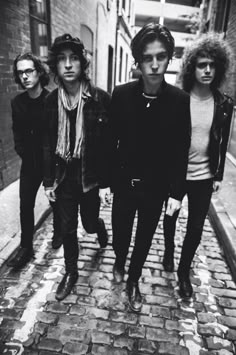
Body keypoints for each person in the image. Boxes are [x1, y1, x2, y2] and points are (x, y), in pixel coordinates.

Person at [110, 23, 191, 312]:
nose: (155, 65)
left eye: (161, 57)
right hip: (123, 185)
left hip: (155, 189)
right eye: (148, 58)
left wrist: (176, 193)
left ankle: (133, 279)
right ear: (138, 61)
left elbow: (181, 150)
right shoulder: (120, 95)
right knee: (120, 234)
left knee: (144, 238)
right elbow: (111, 141)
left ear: (169, 58)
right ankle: (119, 259)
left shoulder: (180, 101)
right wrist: (108, 182)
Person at [163, 33, 234, 299]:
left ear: (218, 68)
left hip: (204, 177)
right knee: (170, 217)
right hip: (177, 175)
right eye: (201, 64)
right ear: (192, 67)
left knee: (195, 228)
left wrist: (218, 174)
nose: (206, 70)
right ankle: (168, 249)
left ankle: (183, 273)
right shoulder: (178, 98)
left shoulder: (224, 104)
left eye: (211, 65)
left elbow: (223, 140)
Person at [44, 34, 111, 301]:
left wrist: (107, 184)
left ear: (83, 64)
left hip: (90, 176)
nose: (68, 65)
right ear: (56, 66)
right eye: (62, 60)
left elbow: (108, 146)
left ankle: (99, 227)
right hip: (64, 176)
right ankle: (71, 271)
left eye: (73, 59)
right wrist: (48, 181)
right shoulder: (51, 102)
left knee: (89, 223)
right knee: (67, 227)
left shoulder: (100, 99)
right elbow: (47, 144)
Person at [8, 52, 62, 270]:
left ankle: (58, 232)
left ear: (39, 72)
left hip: (51, 164)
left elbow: (57, 134)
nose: (25, 76)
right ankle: (26, 247)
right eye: (20, 73)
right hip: (30, 164)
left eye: (29, 71)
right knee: (25, 205)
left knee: (56, 202)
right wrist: (24, 154)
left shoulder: (52, 99)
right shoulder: (17, 103)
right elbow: (18, 135)